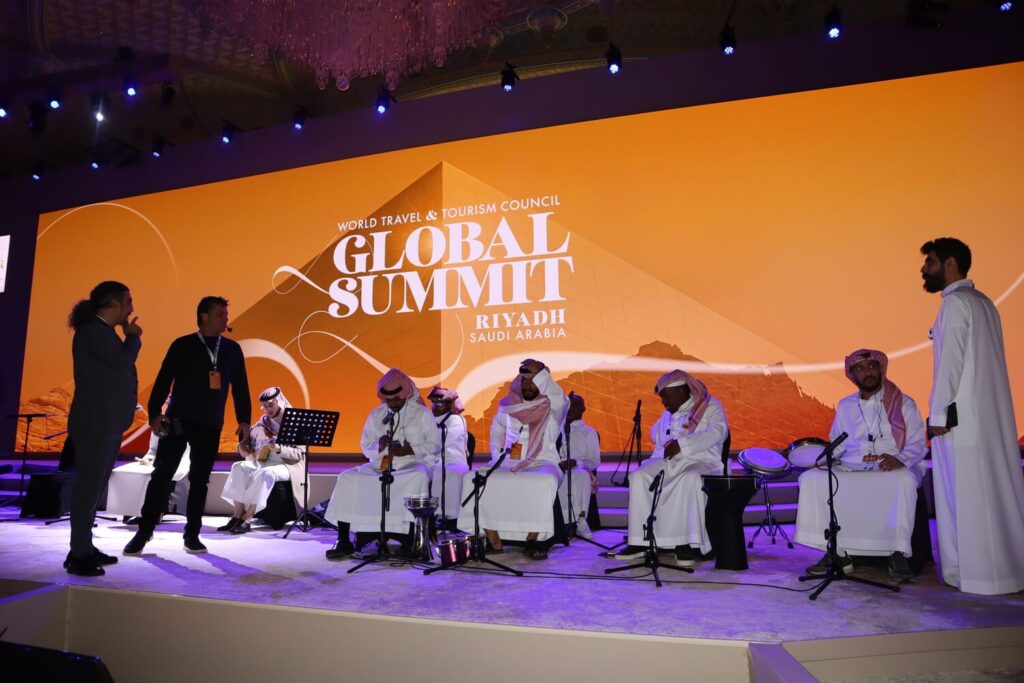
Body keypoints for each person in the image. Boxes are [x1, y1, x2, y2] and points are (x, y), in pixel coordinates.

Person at [921, 237, 1024, 595]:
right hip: (987, 420)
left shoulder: (955, 303)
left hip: (961, 422)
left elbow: (950, 364)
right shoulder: (984, 302)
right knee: (993, 495)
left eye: (930, 262)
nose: (924, 269)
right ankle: (1006, 572)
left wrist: (937, 416)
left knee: (963, 498)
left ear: (950, 263)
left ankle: (972, 575)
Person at [124, 296, 251, 556]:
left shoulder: (232, 350)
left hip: (210, 424)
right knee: (161, 476)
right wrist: (154, 414)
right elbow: (163, 380)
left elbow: (240, 387)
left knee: (200, 481)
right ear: (204, 316)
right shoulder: (182, 345)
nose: (226, 319)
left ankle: (192, 534)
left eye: (226, 314)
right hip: (178, 420)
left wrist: (244, 420)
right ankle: (144, 531)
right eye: (220, 314)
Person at [795, 349, 927, 582]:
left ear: (881, 369)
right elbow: (838, 443)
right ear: (852, 375)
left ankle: (897, 552)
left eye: (872, 367)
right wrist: (822, 460)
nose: (868, 373)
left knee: (905, 480)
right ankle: (837, 552)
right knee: (810, 479)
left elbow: (918, 442)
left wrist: (901, 460)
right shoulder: (846, 405)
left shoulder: (903, 403)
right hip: (852, 465)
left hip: (892, 464)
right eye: (860, 369)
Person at [65, 281, 142, 576]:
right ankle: (79, 553)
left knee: (94, 488)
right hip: (95, 422)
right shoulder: (93, 332)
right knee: (88, 488)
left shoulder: (101, 332)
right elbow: (122, 364)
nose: (131, 309)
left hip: (105, 421)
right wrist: (132, 337)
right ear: (113, 304)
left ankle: (83, 546)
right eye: (127, 302)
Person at [614, 370, 728, 567]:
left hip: (701, 460)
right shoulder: (668, 413)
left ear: (682, 391)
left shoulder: (709, 405)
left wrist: (683, 444)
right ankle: (641, 541)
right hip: (670, 461)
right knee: (638, 476)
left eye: (666, 397)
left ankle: (687, 544)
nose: (663, 402)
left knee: (689, 478)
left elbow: (719, 431)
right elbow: (657, 437)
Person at [457, 359, 567, 560]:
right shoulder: (509, 403)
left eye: (534, 381)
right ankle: (494, 540)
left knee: (545, 481)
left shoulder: (554, 406)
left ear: (544, 383)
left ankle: (532, 539)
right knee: (472, 478)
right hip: (508, 461)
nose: (528, 385)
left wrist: (539, 372)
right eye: (524, 381)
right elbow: (496, 428)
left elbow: (559, 396)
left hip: (542, 461)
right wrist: (496, 455)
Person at [324, 369, 439, 559]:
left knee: (417, 477)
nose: (392, 403)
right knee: (347, 477)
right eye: (388, 400)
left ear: (405, 394)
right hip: (383, 464)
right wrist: (379, 446)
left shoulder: (422, 414)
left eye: (396, 399)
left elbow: (434, 444)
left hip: (412, 462)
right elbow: (365, 447)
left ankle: (411, 540)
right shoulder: (376, 415)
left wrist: (411, 449)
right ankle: (343, 540)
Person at [218, 387, 305, 534]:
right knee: (238, 466)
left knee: (266, 473)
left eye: (271, 405)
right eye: (265, 406)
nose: (268, 409)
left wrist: (279, 449)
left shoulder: (294, 422)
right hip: (265, 460)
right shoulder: (264, 422)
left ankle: (247, 519)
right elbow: (250, 442)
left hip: (288, 465)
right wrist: (242, 447)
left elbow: (299, 454)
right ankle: (237, 515)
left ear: (279, 402)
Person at [105, 424, 191, 524]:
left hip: (178, 461)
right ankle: (129, 511)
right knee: (124, 472)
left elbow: (184, 453)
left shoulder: (183, 425)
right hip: (157, 460)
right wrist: (148, 459)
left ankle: (150, 513)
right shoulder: (159, 424)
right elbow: (152, 450)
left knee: (151, 475)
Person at [556, 394, 601, 540]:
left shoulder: (589, 432)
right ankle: (562, 522)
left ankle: (581, 520)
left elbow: (594, 461)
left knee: (581, 476)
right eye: (568, 406)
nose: (570, 410)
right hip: (558, 467)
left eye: (575, 406)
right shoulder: (556, 430)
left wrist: (576, 462)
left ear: (583, 410)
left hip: (578, 469)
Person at [427, 386, 469, 531]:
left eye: (439, 402)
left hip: (453, 460)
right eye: (433, 402)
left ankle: (450, 518)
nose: (435, 405)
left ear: (449, 404)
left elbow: (438, 443)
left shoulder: (456, 420)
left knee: (447, 473)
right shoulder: (428, 419)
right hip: (430, 459)